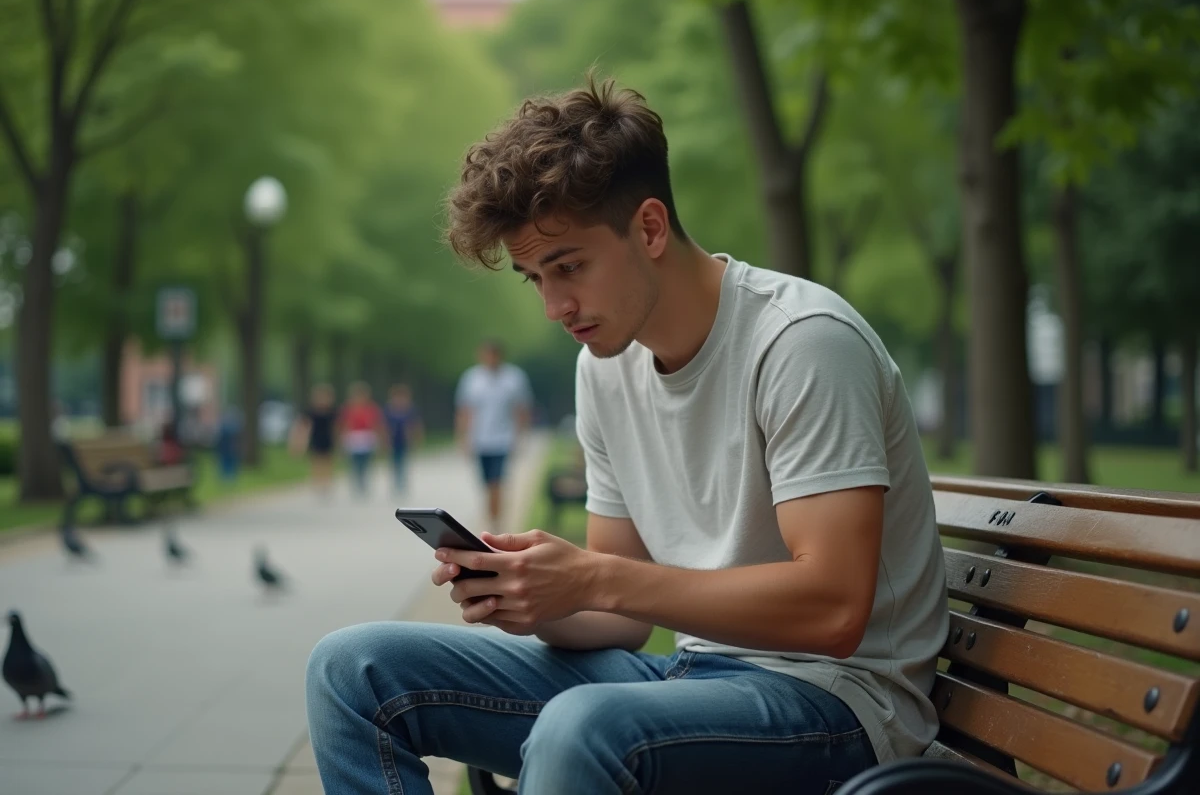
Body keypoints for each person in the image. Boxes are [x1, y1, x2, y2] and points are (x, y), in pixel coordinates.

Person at [306, 78, 947, 795]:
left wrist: (595, 578)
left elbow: (834, 610)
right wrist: (535, 599)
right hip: (689, 677)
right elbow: (621, 616)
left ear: (649, 228)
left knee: (582, 726)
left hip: (841, 708)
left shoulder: (801, 344)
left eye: (569, 267)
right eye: (533, 280)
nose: (554, 306)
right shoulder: (604, 370)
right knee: (353, 669)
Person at [454, 340, 532, 532]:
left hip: (503, 439)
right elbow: (465, 410)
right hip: (480, 439)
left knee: (497, 482)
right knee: (486, 483)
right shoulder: (471, 378)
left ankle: (495, 522)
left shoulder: (514, 378)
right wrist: (463, 438)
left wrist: (520, 436)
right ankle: (492, 515)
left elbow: (521, 409)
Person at [337, 381, 387, 497]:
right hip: (353, 439)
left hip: (367, 438)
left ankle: (364, 484)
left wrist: (381, 440)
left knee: (366, 463)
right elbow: (344, 425)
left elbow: (377, 424)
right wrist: (341, 441)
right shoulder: (348, 409)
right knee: (354, 464)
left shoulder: (371, 408)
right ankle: (357, 484)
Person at [290, 384, 338, 498]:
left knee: (327, 461)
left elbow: (337, 427)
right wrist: (299, 443)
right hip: (315, 439)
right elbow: (303, 427)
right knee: (316, 461)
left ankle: (326, 483)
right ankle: (317, 482)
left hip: (328, 439)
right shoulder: (310, 412)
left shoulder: (332, 412)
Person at [383, 384, 423, 495]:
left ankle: (402, 483)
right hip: (393, 440)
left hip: (405, 440)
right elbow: (384, 425)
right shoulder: (389, 409)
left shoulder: (410, 409)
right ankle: (396, 483)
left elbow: (416, 424)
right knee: (394, 463)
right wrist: (384, 439)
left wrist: (417, 438)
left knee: (404, 462)